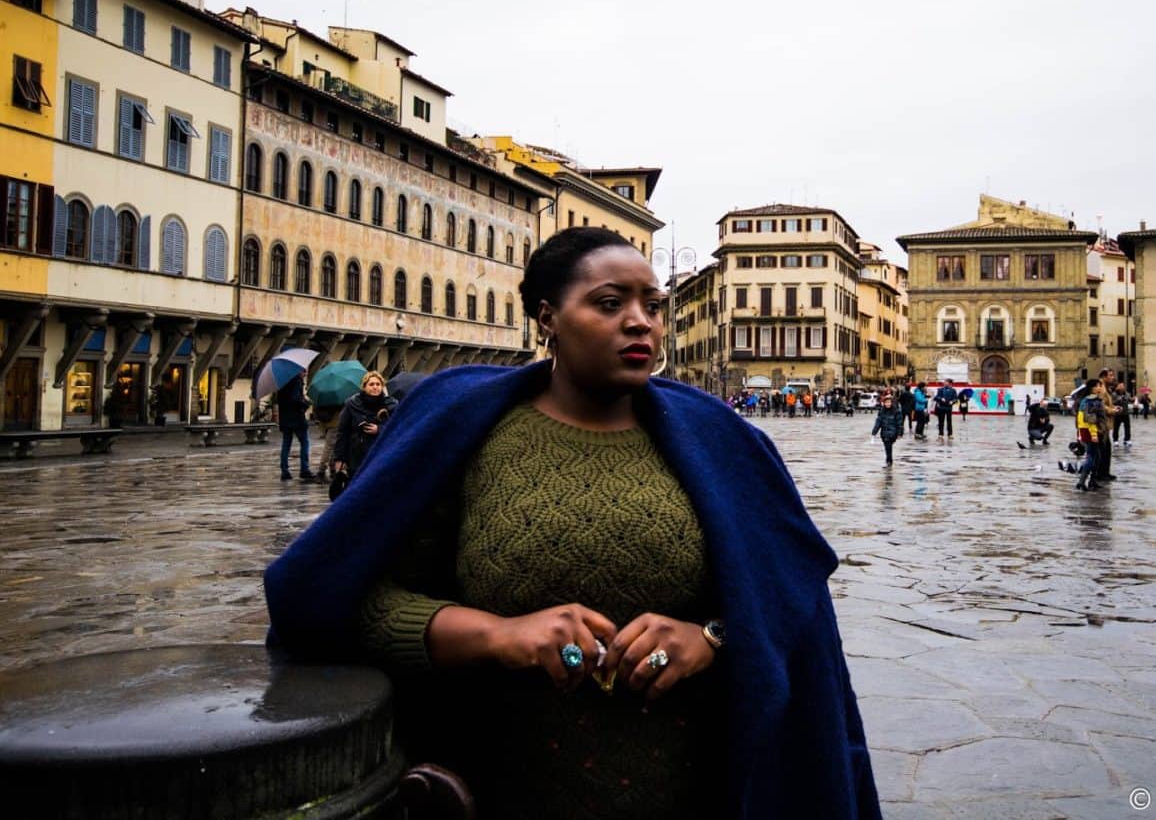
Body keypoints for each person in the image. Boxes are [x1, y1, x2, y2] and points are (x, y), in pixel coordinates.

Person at [263, 228, 879, 816]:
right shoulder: (462, 428)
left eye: (653, 305)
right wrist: (500, 636)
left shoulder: (723, 442)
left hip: (697, 790)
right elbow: (352, 600)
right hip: (500, 786)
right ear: (547, 318)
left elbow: (788, 606)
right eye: (610, 303)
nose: (641, 321)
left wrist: (711, 638)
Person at [333, 371, 398, 478]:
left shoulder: (391, 404)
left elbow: (398, 428)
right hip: (357, 456)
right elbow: (343, 432)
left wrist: (380, 429)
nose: (375, 387)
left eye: (378, 384)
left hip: (382, 454)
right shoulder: (353, 404)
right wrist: (339, 458)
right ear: (364, 387)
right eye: (371, 384)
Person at [276, 369, 313, 481]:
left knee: (286, 444)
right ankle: (304, 469)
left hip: (285, 418)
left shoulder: (281, 381)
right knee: (305, 442)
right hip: (297, 418)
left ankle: (284, 470)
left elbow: (280, 400)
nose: (306, 373)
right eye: (304, 371)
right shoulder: (297, 381)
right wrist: (306, 403)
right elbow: (295, 398)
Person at [1074, 379, 1104, 490]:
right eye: (1098, 385)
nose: (1100, 387)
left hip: (1085, 430)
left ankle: (1092, 481)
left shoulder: (1087, 400)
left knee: (1097, 456)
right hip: (1089, 431)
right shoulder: (1091, 401)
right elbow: (1090, 418)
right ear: (1093, 388)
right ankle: (1081, 482)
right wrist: (1094, 434)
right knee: (1091, 457)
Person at [871, 391, 905, 467]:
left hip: (893, 433)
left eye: (889, 402)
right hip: (884, 433)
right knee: (887, 446)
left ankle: (889, 461)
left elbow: (900, 423)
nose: (888, 404)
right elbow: (878, 422)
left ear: (892, 403)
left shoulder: (896, 411)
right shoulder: (882, 411)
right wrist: (874, 433)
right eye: (886, 402)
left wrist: (900, 433)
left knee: (888, 446)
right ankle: (889, 461)